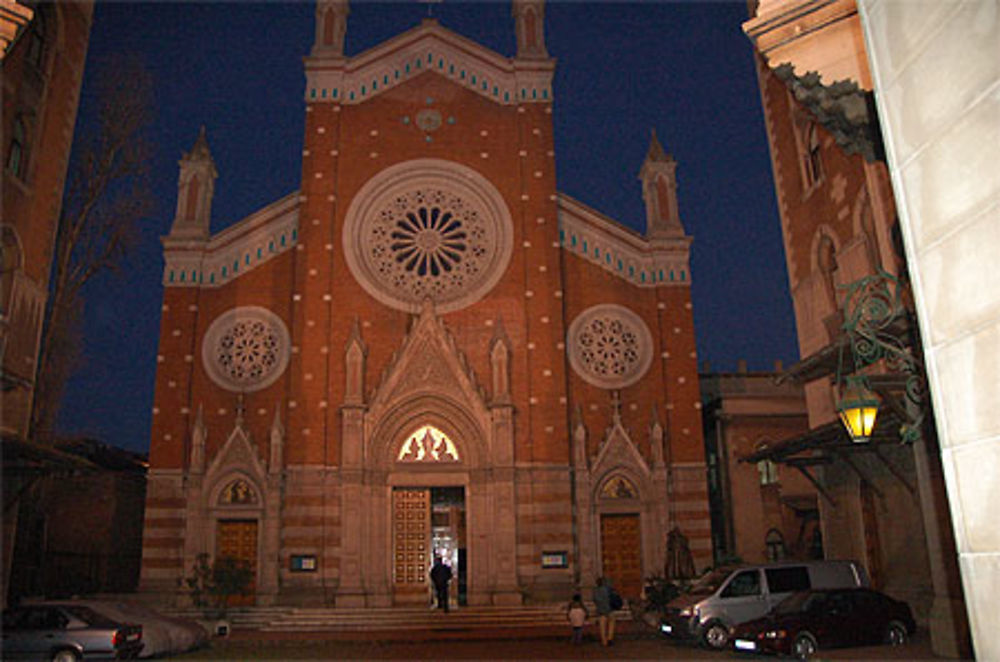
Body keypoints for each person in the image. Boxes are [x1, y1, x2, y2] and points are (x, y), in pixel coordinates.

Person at [592, 576, 616, 646]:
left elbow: (594, 600)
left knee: (602, 627)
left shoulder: (595, 591)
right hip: (609, 609)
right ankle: (610, 638)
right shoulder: (607, 589)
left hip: (600, 610)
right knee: (611, 623)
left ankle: (604, 641)